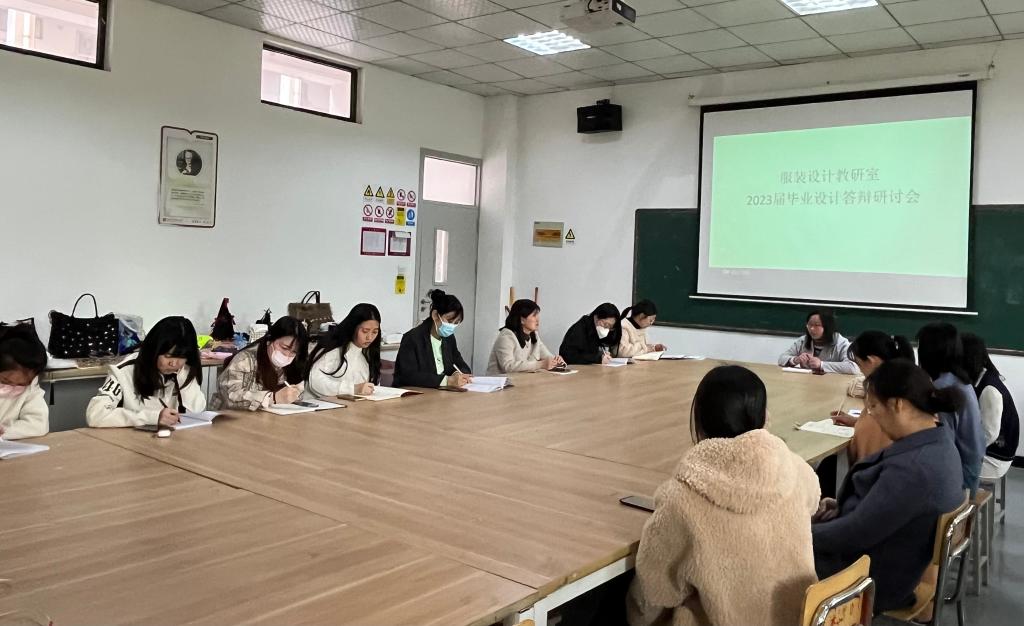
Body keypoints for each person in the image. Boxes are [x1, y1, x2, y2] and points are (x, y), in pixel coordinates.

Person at [628, 366, 820, 626]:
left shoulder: (682, 498)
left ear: (699, 420)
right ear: (764, 417)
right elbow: (813, 502)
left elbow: (655, 594)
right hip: (800, 619)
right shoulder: (796, 469)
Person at [812, 359, 964, 614]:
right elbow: (887, 510)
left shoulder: (915, 469)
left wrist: (798, 534)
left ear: (897, 405)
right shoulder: (938, 439)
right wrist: (843, 505)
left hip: (870, 580)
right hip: (889, 560)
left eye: (872, 406)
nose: (870, 415)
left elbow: (853, 534)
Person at [86, 316, 206, 428]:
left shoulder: (185, 370)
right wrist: (152, 417)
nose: (174, 364)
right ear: (154, 350)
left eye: (182, 357)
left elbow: (196, 412)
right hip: (130, 440)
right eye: (168, 356)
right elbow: (95, 415)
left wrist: (182, 379)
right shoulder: (124, 371)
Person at [917, 322, 985, 492]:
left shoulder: (942, 389)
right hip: (971, 466)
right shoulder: (959, 380)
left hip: (960, 477)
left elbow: (942, 444)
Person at [833, 331, 915, 464]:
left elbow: (869, 441)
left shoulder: (882, 391)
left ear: (871, 361)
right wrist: (856, 421)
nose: (860, 370)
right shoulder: (905, 379)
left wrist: (860, 425)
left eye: (859, 364)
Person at [211, 316, 309, 411]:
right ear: (269, 340)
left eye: (294, 352)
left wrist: (294, 394)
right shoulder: (245, 360)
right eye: (284, 348)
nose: (287, 355)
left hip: (266, 418)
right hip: (229, 418)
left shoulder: (291, 366)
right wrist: (272, 398)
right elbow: (231, 397)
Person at [962, 333, 1019, 484]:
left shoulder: (989, 389)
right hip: (988, 451)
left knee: (942, 468)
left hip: (994, 460)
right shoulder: (981, 378)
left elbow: (989, 434)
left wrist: (963, 448)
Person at [393, 290, 471, 388]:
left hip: (443, 391)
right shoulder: (412, 338)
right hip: (419, 392)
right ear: (435, 315)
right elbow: (408, 376)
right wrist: (446, 381)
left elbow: (459, 363)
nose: (452, 326)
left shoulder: (449, 338)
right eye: (449, 321)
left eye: (456, 323)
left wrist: (458, 373)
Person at [306, 303, 382, 398]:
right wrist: (353, 389)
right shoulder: (333, 350)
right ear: (353, 327)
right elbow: (316, 382)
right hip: (321, 404)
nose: (369, 337)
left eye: (375, 332)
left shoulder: (366, 355)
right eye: (365, 331)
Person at [486, 299, 565, 375]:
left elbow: (547, 356)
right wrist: (541, 364)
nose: (538, 319)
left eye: (538, 315)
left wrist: (556, 361)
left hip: (521, 381)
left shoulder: (534, 336)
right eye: (534, 315)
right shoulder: (506, 336)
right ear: (522, 320)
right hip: (500, 382)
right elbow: (508, 366)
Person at [0, 324, 49, 439]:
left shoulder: (31, 389)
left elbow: (38, 425)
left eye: (21, 384)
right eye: (5, 381)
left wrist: (4, 431)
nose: (13, 387)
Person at [777, 310, 858, 374]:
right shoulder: (803, 340)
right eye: (810, 325)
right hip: (806, 383)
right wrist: (795, 360)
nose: (812, 329)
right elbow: (781, 359)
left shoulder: (840, 342)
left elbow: (853, 367)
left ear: (827, 327)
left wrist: (821, 364)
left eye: (817, 325)